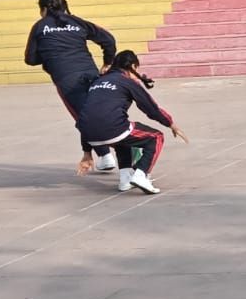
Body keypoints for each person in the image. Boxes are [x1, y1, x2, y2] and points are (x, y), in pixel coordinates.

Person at [24, 0, 120, 175]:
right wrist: (108, 63)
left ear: (43, 9)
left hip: (66, 79)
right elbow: (108, 39)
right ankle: (109, 153)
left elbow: (30, 59)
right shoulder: (77, 22)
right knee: (98, 111)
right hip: (91, 74)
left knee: (83, 117)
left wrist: (50, 56)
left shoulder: (39, 26)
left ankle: (111, 153)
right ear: (64, 6)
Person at [74, 50, 187, 195]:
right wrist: (170, 123)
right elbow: (150, 108)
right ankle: (141, 174)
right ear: (133, 66)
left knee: (124, 139)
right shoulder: (126, 82)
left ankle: (125, 180)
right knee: (156, 137)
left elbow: (89, 117)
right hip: (112, 128)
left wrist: (87, 153)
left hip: (88, 134)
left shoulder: (97, 82)